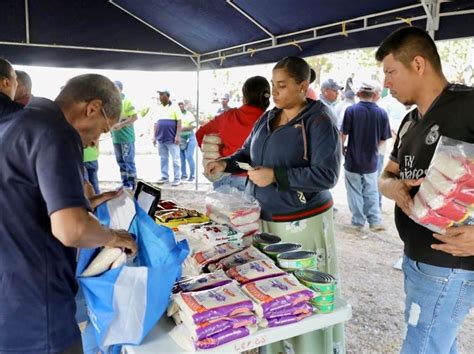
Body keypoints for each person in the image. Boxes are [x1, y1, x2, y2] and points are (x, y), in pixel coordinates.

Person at [205, 57, 344, 353]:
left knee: (302, 293)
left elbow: (327, 175)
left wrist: (277, 175)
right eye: (272, 86)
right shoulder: (268, 116)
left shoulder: (319, 120)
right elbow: (248, 154)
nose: (274, 93)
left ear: (302, 86)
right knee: (274, 295)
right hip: (265, 218)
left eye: (282, 86)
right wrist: (226, 164)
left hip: (301, 223)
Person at [0, 74, 137, 354]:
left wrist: (87, 203)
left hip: (10, 298)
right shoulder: (56, 131)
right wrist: (111, 237)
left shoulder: (21, 120)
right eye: (102, 130)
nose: (93, 143)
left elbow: (25, 199)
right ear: (92, 108)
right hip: (37, 309)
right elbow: (72, 230)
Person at [376, 26, 474, 353]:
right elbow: (385, 176)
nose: (385, 82)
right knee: (438, 344)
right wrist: (395, 189)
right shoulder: (409, 120)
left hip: (447, 266)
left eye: (391, 71)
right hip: (416, 259)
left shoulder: (467, 106)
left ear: (418, 65)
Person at [196, 76, 271, 191]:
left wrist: (216, 151)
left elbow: (200, 134)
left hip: (225, 175)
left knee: (221, 209)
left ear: (244, 96)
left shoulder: (227, 116)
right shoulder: (270, 120)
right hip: (256, 181)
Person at [341, 81, 391, 231]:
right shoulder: (382, 113)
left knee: (354, 190)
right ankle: (375, 220)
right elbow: (383, 139)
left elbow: (343, 134)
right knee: (371, 191)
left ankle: (358, 221)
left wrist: (341, 148)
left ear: (358, 94)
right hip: (371, 161)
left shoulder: (351, 110)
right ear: (374, 95)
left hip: (352, 160)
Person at [111, 80, 138, 190]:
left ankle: (133, 184)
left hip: (126, 138)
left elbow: (135, 117)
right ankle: (125, 183)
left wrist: (121, 124)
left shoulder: (127, 102)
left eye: (115, 88)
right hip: (116, 138)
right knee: (120, 161)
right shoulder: (112, 103)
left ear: (120, 89)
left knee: (128, 161)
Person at [153, 89, 182, 186]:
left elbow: (179, 122)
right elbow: (156, 124)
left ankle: (177, 178)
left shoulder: (175, 107)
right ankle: (164, 177)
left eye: (162, 94)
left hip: (172, 138)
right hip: (161, 138)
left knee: (175, 159)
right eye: (159, 95)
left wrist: (177, 136)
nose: (160, 97)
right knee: (163, 158)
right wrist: (154, 137)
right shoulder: (158, 108)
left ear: (168, 96)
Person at [178, 101, 196, 182]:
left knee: (189, 156)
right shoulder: (175, 115)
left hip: (190, 137)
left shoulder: (189, 114)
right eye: (179, 104)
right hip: (180, 138)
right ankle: (183, 175)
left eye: (182, 104)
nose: (180, 105)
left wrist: (181, 128)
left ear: (184, 105)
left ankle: (192, 175)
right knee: (181, 158)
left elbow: (193, 126)